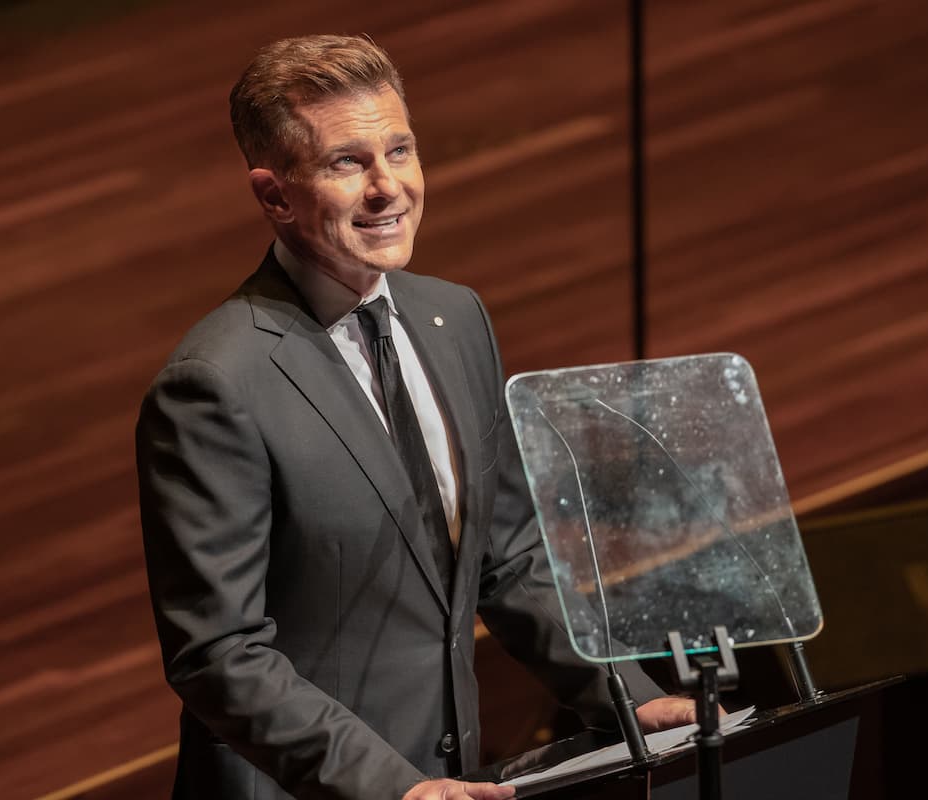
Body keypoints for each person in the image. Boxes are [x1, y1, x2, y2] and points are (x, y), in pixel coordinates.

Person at [136, 34, 693, 800]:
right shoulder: (215, 385)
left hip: (451, 779)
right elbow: (219, 652)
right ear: (274, 196)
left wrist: (630, 697)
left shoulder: (455, 317)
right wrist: (388, 786)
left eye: (400, 151)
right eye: (347, 163)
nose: (388, 187)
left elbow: (507, 555)